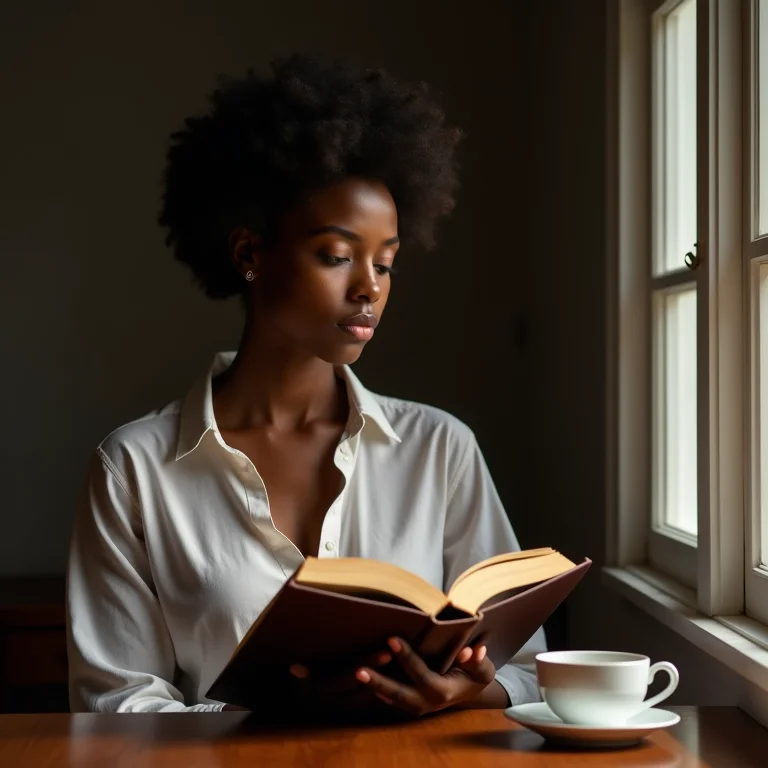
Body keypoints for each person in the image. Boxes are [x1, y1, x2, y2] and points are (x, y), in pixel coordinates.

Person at [66, 55, 546, 715]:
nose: (369, 288)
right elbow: (116, 700)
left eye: (386, 263)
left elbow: (526, 664)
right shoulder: (134, 469)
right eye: (337, 256)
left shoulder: (440, 448)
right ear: (248, 255)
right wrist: (267, 721)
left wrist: (470, 692)